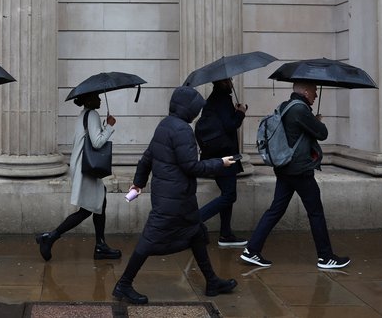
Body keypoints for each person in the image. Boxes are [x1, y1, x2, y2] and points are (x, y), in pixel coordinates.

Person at [112, 86, 238, 304]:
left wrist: (138, 183)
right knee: (148, 242)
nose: (198, 113)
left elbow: (146, 159)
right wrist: (221, 163)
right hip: (174, 200)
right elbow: (192, 166)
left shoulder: (165, 125)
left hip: (174, 197)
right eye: (196, 109)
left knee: (197, 234)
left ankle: (212, 281)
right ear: (187, 109)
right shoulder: (182, 130)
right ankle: (123, 284)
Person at [240, 82, 350, 269]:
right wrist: (317, 122)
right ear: (306, 91)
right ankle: (325, 257)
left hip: (285, 168)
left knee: (275, 209)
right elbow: (322, 134)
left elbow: (297, 132)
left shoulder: (285, 106)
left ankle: (252, 250)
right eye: (314, 91)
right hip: (299, 171)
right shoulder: (300, 109)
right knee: (315, 212)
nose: (315, 95)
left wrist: (311, 120)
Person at [35, 92, 121, 261]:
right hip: (87, 168)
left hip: (83, 166)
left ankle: (100, 244)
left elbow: (89, 139)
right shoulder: (93, 114)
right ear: (89, 100)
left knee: (99, 201)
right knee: (87, 210)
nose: (100, 99)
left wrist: (103, 128)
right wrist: (110, 126)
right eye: (96, 97)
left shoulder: (84, 114)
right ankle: (51, 237)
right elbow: (97, 142)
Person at [196, 78, 248, 247]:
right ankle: (195, 219)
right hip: (224, 155)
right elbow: (230, 125)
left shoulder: (213, 99)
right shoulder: (223, 99)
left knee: (228, 193)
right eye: (229, 80)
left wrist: (234, 112)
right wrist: (240, 112)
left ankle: (226, 234)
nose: (232, 82)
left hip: (217, 153)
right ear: (223, 83)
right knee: (230, 195)